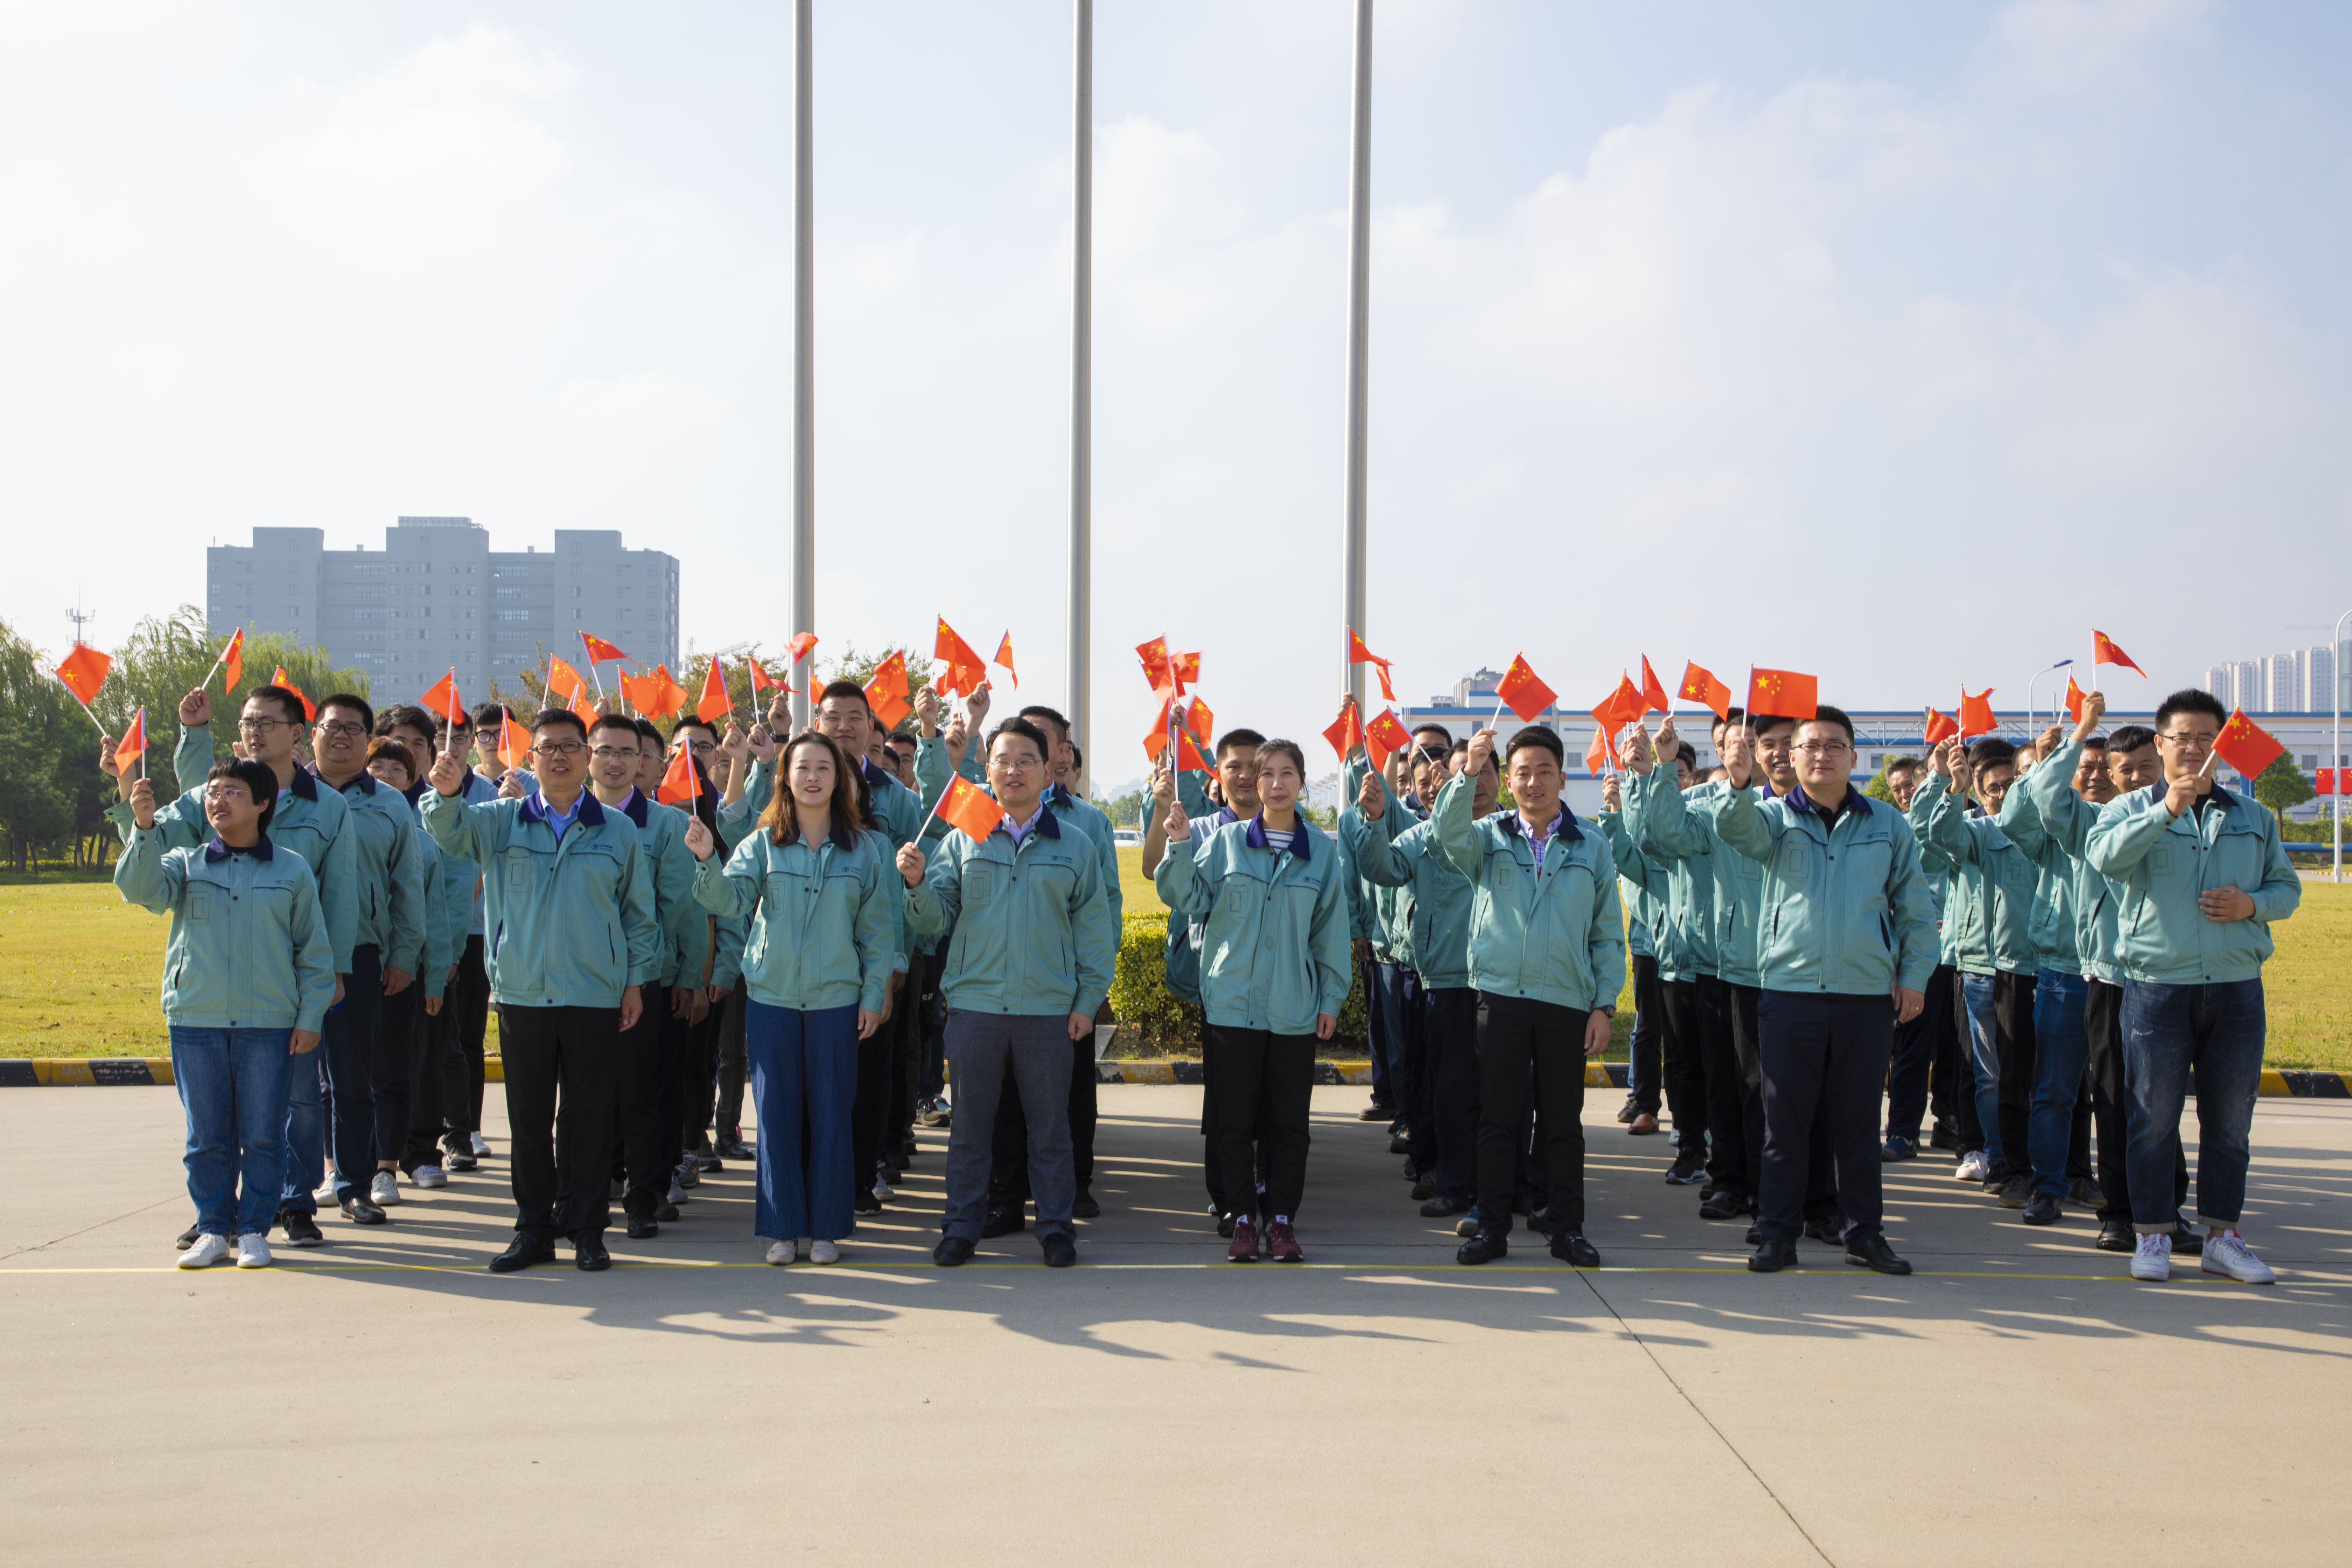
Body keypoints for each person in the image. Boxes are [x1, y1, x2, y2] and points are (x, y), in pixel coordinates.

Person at [1675, 707, 1935, 1275]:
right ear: (1792, 757)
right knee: (1784, 1125)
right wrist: (1736, 784)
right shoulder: (1771, 818)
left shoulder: (1887, 825)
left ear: (1854, 757)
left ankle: (1864, 1234)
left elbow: (1916, 908)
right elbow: (1737, 832)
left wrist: (1914, 977)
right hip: (1790, 993)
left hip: (1865, 996)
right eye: (1810, 746)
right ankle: (1777, 1234)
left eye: (1834, 746)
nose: (1822, 755)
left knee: (1858, 1125)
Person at [106, 682, 357, 1252]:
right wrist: (139, 821)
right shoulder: (189, 857)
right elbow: (143, 881)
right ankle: (215, 1222)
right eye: (248, 722)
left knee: (285, 1117)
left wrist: (320, 998)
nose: (218, 803)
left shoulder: (303, 848)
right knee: (208, 1133)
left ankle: (280, 1212)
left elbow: (329, 916)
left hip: (273, 1009)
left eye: (267, 722)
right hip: (199, 1012)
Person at [423, 709, 659, 1273]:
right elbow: (449, 833)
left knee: (590, 1120)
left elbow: (638, 916)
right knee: (528, 1121)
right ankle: (533, 1229)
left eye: (570, 746)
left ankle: (588, 1230)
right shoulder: (500, 821)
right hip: (523, 993)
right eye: (547, 747)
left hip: (595, 995)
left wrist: (634, 983)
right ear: (531, 758)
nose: (559, 756)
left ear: (587, 757)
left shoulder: (618, 830)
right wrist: (447, 793)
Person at [2085, 688, 2301, 1284]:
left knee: (2230, 1122)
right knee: (2152, 1118)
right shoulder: (2128, 810)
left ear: (2221, 744)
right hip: (2158, 987)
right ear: (2161, 744)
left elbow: (2287, 889)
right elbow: (2106, 860)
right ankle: (2153, 1232)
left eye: (2208, 738)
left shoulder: (2252, 816)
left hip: (2236, 988)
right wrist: (2167, 810)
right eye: (2182, 738)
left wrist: (2251, 905)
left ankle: (2223, 1237)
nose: (2195, 749)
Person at [898, 716, 1114, 1269]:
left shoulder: (1076, 844)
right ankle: (961, 1227)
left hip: (1048, 1011)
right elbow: (933, 920)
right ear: (987, 769)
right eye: (1003, 760)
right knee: (971, 1129)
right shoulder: (965, 837)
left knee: (1051, 1129)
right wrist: (917, 884)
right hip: (976, 1009)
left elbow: (1094, 931)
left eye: (1026, 760)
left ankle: (1056, 1228)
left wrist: (1087, 1002)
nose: (1014, 770)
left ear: (1048, 768)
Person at [688, 729, 894, 1265]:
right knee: (776, 1118)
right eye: (802, 767)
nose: (813, 777)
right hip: (773, 999)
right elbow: (730, 901)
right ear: (785, 777)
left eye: (824, 768)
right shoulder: (762, 844)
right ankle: (783, 1229)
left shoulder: (865, 850)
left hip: (837, 1002)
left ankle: (826, 1229)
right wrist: (707, 859)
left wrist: (874, 994)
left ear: (840, 780)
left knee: (831, 1118)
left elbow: (878, 934)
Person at [1156, 738, 1350, 1262]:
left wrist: (1331, 999)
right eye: (1268, 774)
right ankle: (1242, 1217)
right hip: (1232, 1006)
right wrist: (1179, 845)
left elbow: (1331, 933)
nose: (1277, 784)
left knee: (1290, 1125)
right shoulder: (1226, 843)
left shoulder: (1322, 852)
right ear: (1255, 783)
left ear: (1302, 783)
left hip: (1293, 1009)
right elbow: (1185, 896)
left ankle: (1281, 1219)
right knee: (1234, 1122)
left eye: (1288, 774)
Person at [1439, 726, 1625, 1269]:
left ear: (1563, 778)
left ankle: (1567, 1229)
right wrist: (1466, 772)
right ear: (1508, 781)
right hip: (1501, 997)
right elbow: (1446, 832)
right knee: (1497, 1119)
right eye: (1522, 772)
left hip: (1567, 1000)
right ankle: (1492, 1228)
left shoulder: (1592, 844)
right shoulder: (1487, 837)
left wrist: (1604, 1004)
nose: (1533, 782)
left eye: (1545, 771)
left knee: (1563, 1123)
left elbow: (1606, 935)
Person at [1344, 737, 1498, 1221]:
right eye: (1462, 773)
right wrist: (1373, 821)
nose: (1473, 781)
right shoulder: (1423, 836)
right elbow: (1380, 867)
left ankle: (1509, 1184)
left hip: (1504, 982)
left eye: (1483, 770)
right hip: (1448, 979)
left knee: (1507, 1091)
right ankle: (1450, 1182)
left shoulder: (1512, 834)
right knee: (1449, 1090)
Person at [582, 715, 707, 1239]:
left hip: (646, 974)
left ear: (643, 762)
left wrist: (681, 972)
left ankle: (647, 1191)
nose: (615, 763)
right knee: (588, 1093)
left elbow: (680, 908)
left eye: (626, 753)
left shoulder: (668, 825)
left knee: (644, 1090)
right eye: (604, 751)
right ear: (588, 756)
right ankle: (587, 1191)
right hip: (581, 979)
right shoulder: (570, 816)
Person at [306, 692, 426, 1226]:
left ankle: (354, 1185)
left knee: (352, 1079)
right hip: (288, 954)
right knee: (291, 1083)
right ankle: (298, 1183)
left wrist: (403, 953)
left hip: (359, 953)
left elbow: (407, 885)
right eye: (332, 726)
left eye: (354, 729)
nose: (342, 736)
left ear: (368, 739)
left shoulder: (389, 803)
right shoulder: (286, 796)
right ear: (312, 733)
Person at [1909, 736, 2043, 1205]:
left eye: (2011, 785)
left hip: (2044, 967)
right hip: (1983, 968)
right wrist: (1949, 785)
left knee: (2042, 1077)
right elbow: (1931, 833)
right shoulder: (1973, 830)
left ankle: (2046, 1164)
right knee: (1989, 1075)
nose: (2002, 794)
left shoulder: (2046, 832)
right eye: (1992, 788)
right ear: (1980, 794)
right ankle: (1998, 1156)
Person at [1142, 728, 1266, 1233]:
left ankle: (1268, 1189)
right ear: (1218, 772)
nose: (1245, 775)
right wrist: (1160, 810)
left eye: (1255, 766)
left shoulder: (1289, 830)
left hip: (1279, 986)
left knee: (1271, 1099)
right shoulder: (1200, 829)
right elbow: (1153, 869)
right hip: (1224, 986)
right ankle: (1229, 1195)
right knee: (1225, 1097)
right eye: (1234, 766)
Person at [359, 731, 461, 1194]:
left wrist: (436, 977)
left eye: (397, 770)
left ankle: (404, 1159)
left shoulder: (424, 843)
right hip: (352, 967)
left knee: (402, 1068)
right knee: (348, 1075)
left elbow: (435, 917)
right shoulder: (345, 829)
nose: (385, 776)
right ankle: (352, 1164)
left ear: (410, 780)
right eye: (377, 767)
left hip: (405, 972)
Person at [1878, 755, 1963, 1163]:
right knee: (1914, 1046)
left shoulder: (1962, 821)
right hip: (1921, 956)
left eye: (1911, 786)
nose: (1905, 793)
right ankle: (1902, 1131)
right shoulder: (1901, 830)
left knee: (1956, 1047)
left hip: (1962, 951)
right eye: (1898, 789)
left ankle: (1949, 1121)